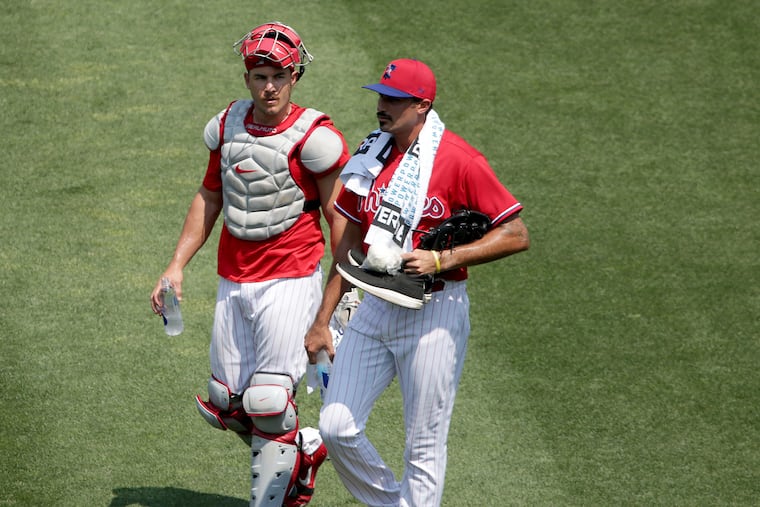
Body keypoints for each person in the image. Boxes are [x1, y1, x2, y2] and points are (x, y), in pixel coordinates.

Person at [303, 58, 530, 506]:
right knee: (336, 426)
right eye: (381, 96)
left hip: (435, 313)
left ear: (422, 106)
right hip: (374, 305)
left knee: (423, 446)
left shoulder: (459, 160)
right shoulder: (372, 152)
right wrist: (322, 319)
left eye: (394, 99)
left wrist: (444, 259)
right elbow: (348, 246)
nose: (381, 107)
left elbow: (517, 233)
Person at [149, 21, 353, 507]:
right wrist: (175, 265)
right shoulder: (226, 126)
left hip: (291, 277)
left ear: (295, 77)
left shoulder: (317, 139)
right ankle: (301, 450)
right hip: (233, 279)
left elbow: (338, 216)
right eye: (260, 76)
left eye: (278, 76)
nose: (269, 87)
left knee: (268, 401)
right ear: (247, 79)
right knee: (228, 402)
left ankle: (275, 498)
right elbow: (210, 196)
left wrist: (340, 291)